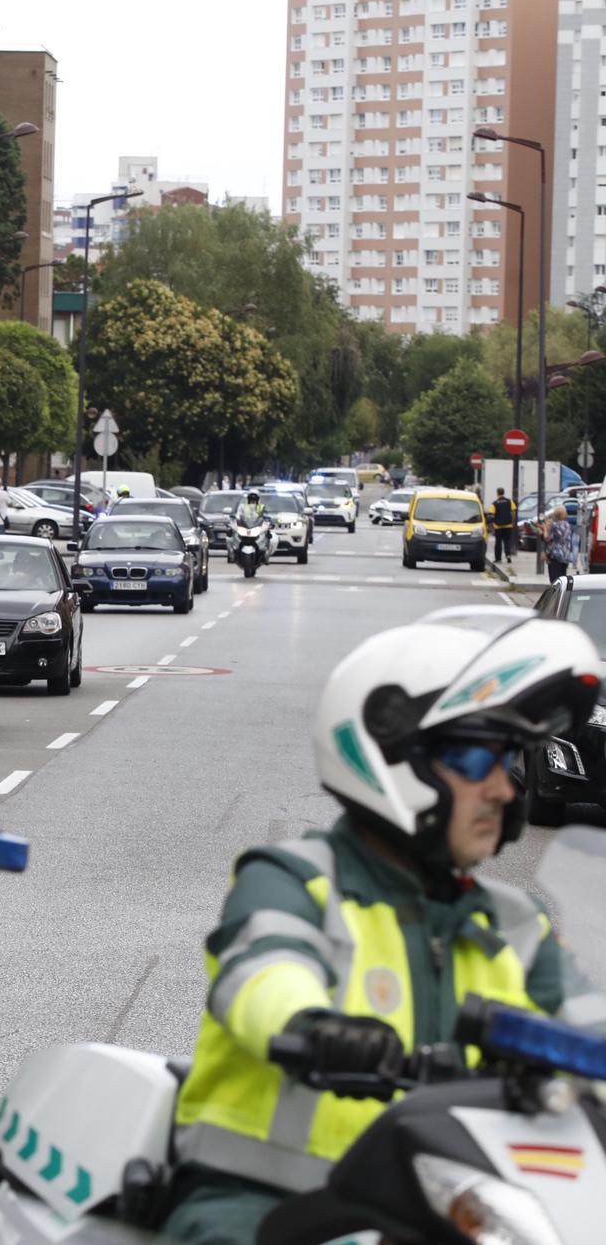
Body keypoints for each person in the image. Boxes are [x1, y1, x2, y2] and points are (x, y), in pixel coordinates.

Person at [162, 618, 606, 1243]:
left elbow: (588, 1022)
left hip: (438, 1205)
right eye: (478, 758)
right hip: (258, 1203)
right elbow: (264, 974)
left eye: (510, 761)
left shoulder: (513, 924)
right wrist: (316, 1029)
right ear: (393, 754)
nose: (505, 787)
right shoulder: (295, 881)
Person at [544, 503, 580, 582]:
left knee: (554, 580)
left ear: (555, 514)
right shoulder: (567, 525)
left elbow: (548, 539)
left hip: (556, 555)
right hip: (565, 555)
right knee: (562, 578)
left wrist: (545, 529)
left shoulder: (554, 525)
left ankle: (557, 594)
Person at [489, 487, 516, 564]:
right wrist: (512, 522)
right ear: (503, 493)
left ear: (497, 493)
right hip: (508, 525)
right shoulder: (509, 501)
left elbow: (492, 515)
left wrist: (491, 525)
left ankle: (498, 558)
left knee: (498, 542)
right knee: (507, 542)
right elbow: (513, 512)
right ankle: (508, 555)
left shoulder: (495, 503)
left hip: (498, 526)